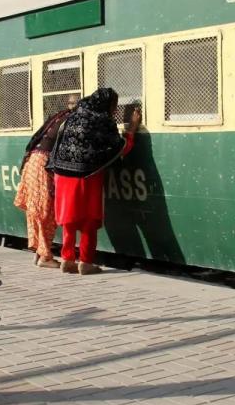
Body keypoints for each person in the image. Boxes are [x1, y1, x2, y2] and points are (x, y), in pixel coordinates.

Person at [48, 87, 141, 275]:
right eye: (114, 106)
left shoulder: (72, 117)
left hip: (63, 176)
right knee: (89, 220)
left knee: (70, 220)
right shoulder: (102, 121)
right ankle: (86, 262)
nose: (114, 111)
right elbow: (120, 147)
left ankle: (67, 259)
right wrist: (131, 129)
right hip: (88, 176)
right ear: (106, 105)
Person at [14, 95, 78, 268]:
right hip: (44, 164)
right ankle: (45, 257)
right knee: (46, 211)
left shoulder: (58, 115)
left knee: (38, 209)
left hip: (33, 161)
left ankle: (40, 252)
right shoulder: (71, 121)